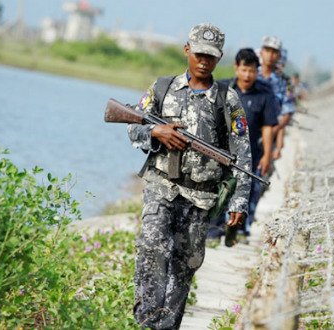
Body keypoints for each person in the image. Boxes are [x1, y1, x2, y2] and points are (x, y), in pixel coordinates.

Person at [126, 23, 251, 330]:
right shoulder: (162, 87)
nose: (204, 61)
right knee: (152, 248)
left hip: (201, 196)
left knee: (185, 265)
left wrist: (240, 202)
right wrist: (157, 132)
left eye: (211, 56)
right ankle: (146, 321)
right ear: (187, 50)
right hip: (161, 187)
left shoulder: (228, 99)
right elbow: (133, 127)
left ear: (219, 58)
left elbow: (242, 153)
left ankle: (167, 326)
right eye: (199, 54)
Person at [207, 48, 279, 246]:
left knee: (245, 191)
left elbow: (267, 127)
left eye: (252, 71)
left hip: (250, 153)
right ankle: (214, 230)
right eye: (244, 70)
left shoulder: (265, 94)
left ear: (257, 71)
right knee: (218, 189)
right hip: (222, 151)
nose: (248, 75)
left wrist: (267, 155)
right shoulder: (223, 89)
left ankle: (236, 231)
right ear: (236, 68)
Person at [257, 36, 295, 160]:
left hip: (271, 136)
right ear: (261, 52)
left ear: (279, 56)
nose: (270, 55)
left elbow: (287, 112)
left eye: (274, 52)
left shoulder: (283, 82)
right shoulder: (251, 75)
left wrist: (273, 131)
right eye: (267, 51)